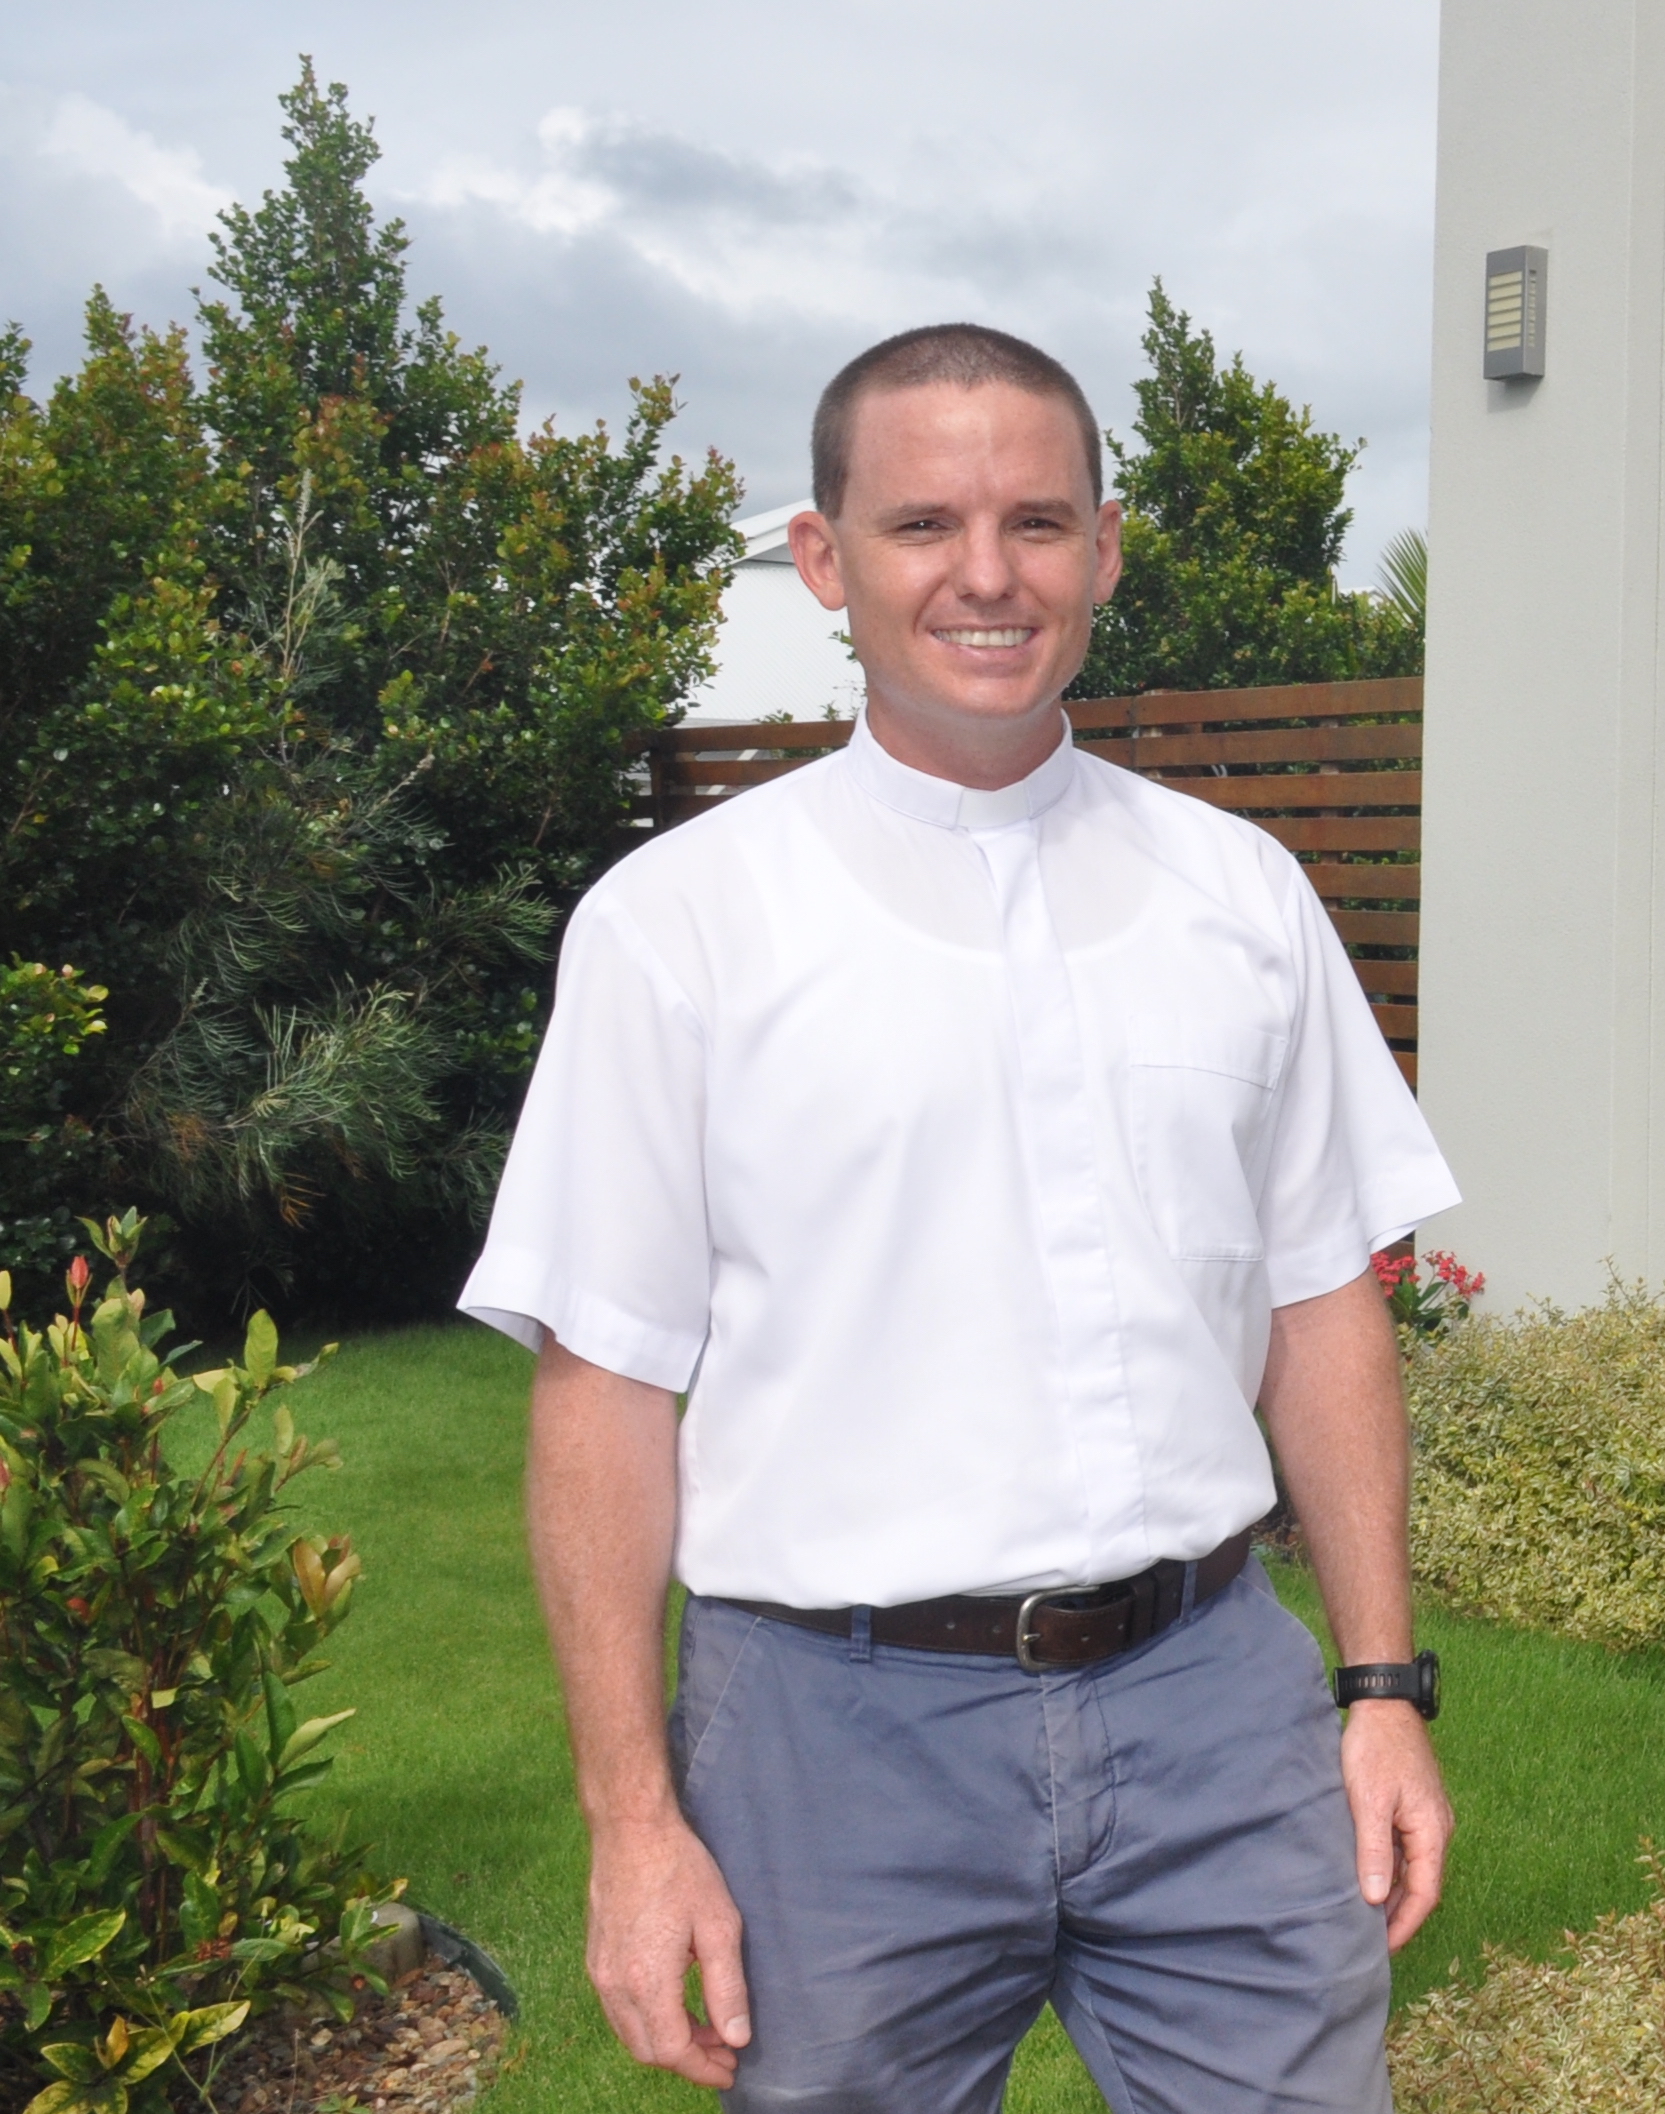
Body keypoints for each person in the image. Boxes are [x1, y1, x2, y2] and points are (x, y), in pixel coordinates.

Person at [460, 322, 1460, 2114]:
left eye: (1039, 521)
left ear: (1105, 547)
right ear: (825, 559)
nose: (988, 574)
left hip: (1216, 1704)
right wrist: (632, 1819)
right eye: (924, 524)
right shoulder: (677, 927)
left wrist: (1380, 1684)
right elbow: (602, 1386)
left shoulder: (1237, 893)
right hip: (833, 1740)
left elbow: (1320, 1299)